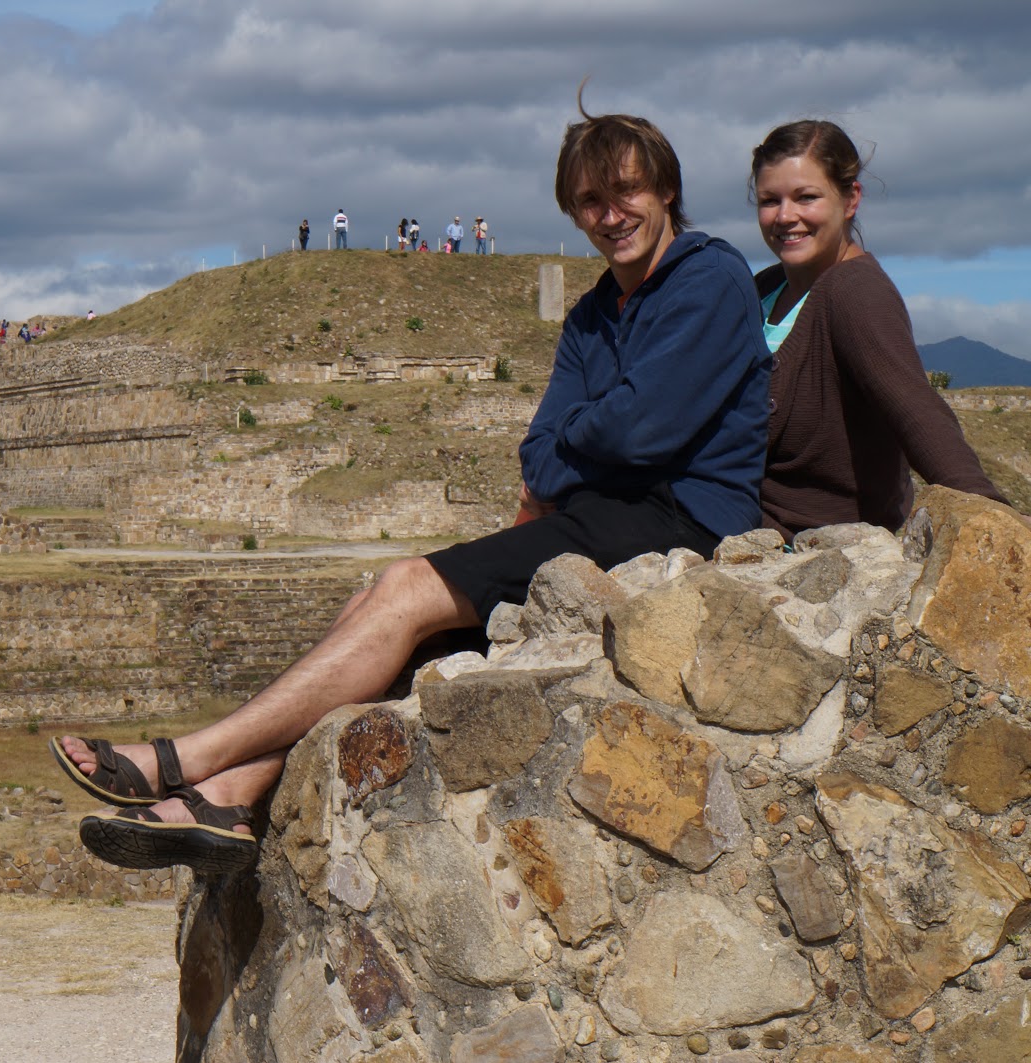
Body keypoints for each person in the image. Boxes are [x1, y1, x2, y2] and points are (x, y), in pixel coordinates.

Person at [54, 106, 772, 875]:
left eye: (626, 191)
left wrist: (589, 434)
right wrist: (597, 436)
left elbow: (639, 432)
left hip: (685, 522)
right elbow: (541, 458)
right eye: (590, 201)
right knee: (379, 608)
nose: (610, 215)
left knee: (404, 589)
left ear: (666, 190)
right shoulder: (593, 314)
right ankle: (227, 796)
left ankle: (184, 758)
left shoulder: (708, 278)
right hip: (605, 515)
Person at [749, 120, 1011, 536]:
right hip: (738, 524)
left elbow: (916, 411)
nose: (785, 216)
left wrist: (991, 520)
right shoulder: (763, 288)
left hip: (810, 546)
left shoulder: (855, 291)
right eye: (769, 200)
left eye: (806, 197)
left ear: (850, 198)